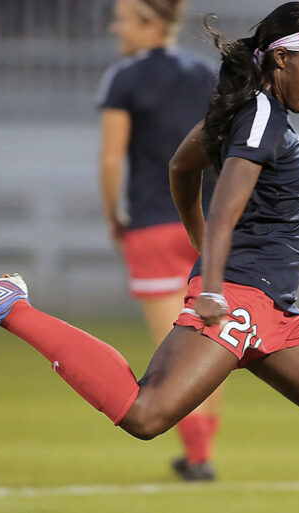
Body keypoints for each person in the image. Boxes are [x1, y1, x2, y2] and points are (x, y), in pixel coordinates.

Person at [0, 3, 299, 512]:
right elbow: (227, 207)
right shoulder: (259, 114)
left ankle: (11, 304)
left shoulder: (247, 109)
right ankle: (10, 304)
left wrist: (198, 240)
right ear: (281, 59)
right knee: (144, 414)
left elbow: (180, 167)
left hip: (276, 311)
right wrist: (212, 283)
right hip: (241, 298)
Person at [96, 0, 220, 481]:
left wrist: (113, 215)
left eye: (122, 17)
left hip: (150, 222)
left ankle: (197, 457)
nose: (115, 25)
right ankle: (202, 448)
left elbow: (111, 160)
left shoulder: (122, 78)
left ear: (150, 21)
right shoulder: (208, 74)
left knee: (173, 349)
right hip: (205, 226)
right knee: (212, 342)